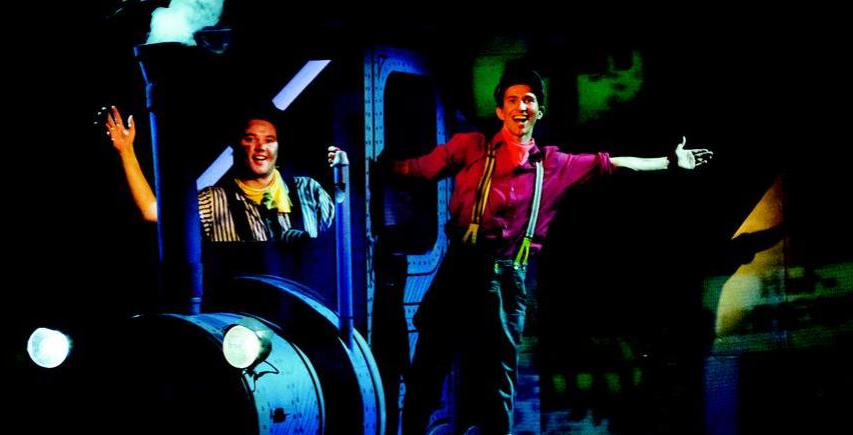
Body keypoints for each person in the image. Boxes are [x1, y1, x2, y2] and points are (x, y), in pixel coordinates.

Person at [329, 64, 713, 434]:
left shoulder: (555, 165)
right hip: (460, 269)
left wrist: (669, 162)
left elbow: (612, 164)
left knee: (498, 383)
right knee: (428, 369)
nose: (521, 106)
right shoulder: (471, 147)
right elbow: (414, 169)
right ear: (500, 110)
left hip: (505, 279)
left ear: (539, 111)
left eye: (528, 100)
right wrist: (349, 163)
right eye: (512, 100)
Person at [103, 106, 337, 243]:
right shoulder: (212, 201)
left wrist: (344, 172)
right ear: (236, 145)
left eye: (269, 140)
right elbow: (152, 212)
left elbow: (344, 240)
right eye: (250, 139)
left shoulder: (309, 191)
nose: (261, 147)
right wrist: (126, 151)